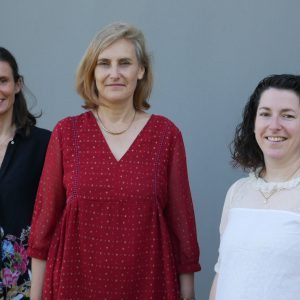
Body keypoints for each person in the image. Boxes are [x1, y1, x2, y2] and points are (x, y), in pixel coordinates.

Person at [28, 22, 200, 300]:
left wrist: (188, 292)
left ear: (141, 70)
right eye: (104, 63)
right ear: (92, 72)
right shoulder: (66, 132)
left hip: (149, 283)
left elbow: (182, 224)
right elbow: (43, 224)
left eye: (125, 63)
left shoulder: (166, 135)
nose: (114, 73)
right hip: (74, 284)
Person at [209, 74, 300, 300]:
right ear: (254, 123)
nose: (274, 125)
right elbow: (222, 273)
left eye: (288, 116)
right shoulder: (238, 192)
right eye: (265, 114)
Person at [0, 47, 50, 299]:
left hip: (24, 286)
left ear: (17, 85)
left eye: (3, 81)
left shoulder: (44, 145)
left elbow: (54, 218)